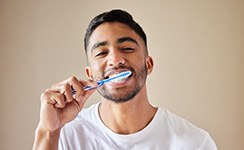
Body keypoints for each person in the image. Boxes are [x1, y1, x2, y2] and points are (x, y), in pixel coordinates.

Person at [33, 9, 217, 150]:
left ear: (148, 64)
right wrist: (49, 132)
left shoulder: (195, 143)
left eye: (127, 48)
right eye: (102, 53)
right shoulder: (66, 135)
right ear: (90, 75)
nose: (115, 60)